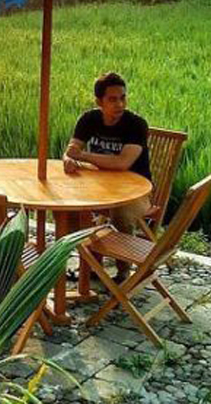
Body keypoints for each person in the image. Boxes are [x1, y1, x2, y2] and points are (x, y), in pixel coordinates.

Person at [63, 72, 151, 282]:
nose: (119, 104)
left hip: (136, 193)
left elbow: (122, 163)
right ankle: (93, 265)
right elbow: (71, 148)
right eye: (112, 99)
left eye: (122, 97)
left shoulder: (136, 124)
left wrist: (82, 156)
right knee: (69, 211)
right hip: (98, 189)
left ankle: (123, 271)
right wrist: (68, 158)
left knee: (119, 212)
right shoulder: (88, 119)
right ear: (99, 101)